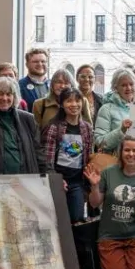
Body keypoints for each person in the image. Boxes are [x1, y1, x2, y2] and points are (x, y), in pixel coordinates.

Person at [84, 136, 135, 269]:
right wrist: (95, 186)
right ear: (120, 152)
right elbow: (94, 203)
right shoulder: (108, 173)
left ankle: (127, 261)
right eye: (127, 150)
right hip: (110, 235)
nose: (131, 154)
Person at [42, 87, 93, 223]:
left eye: (77, 101)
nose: (74, 104)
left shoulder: (87, 128)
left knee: (77, 219)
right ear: (61, 104)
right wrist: (56, 179)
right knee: (58, 221)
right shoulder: (54, 127)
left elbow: (88, 156)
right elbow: (47, 159)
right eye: (69, 101)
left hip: (77, 182)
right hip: (58, 181)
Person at [95, 68, 135, 154]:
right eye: (123, 85)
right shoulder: (106, 109)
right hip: (116, 163)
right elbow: (100, 142)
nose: (128, 88)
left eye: (131, 84)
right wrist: (121, 131)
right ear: (115, 87)